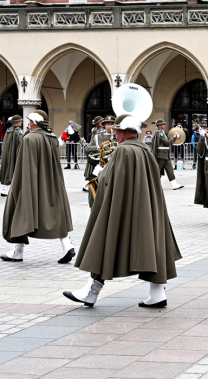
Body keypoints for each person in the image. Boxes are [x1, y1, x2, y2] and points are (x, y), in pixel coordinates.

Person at [64, 113, 181, 308]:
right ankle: (157, 294)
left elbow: (109, 180)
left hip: (123, 207)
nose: (114, 134)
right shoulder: (144, 149)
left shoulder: (123, 151)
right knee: (154, 246)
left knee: (105, 242)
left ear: (126, 132)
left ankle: (90, 293)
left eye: (116, 131)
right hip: (146, 208)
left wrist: (100, 173)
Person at [1, 111, 75, 264]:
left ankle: (18, 252)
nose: (28, 123)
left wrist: (18, 183)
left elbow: (24, 164)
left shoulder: (29, 138)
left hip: (31, 181)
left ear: (34, 122)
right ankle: (67, 246)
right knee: (56, 213)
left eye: (29, 121)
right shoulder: (52, 137)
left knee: (21, 211)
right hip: (52, 182)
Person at [82, 116, 113, 194]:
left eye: (112, 123)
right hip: (98, 165)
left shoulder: (119, 136)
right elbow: (87, 149)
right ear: (104, 125)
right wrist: (99, 147)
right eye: (108, 124)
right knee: (95, 195)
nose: (110, 125)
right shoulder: (97, 135)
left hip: (113, 167)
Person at [150, 119, 182, 190]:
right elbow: (167, 142)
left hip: (165, 154)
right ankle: (153, 184)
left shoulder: (162, 132)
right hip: (161, 155)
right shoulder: (159, 133)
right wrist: (174, 137)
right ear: (159, 126)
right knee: (157, 170)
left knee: (170, 169)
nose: (164, 125)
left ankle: (174, 184)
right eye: (163, 124)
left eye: (164, 124)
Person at [0, 115, 25, 198]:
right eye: (20, 121)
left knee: (7, 169)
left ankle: (4, 189)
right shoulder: (19, 131)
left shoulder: (8, 130)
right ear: (17, 122)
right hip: (15, 154)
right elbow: (22, 143)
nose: (22, 122)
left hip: (7, 154)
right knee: (14, 170)